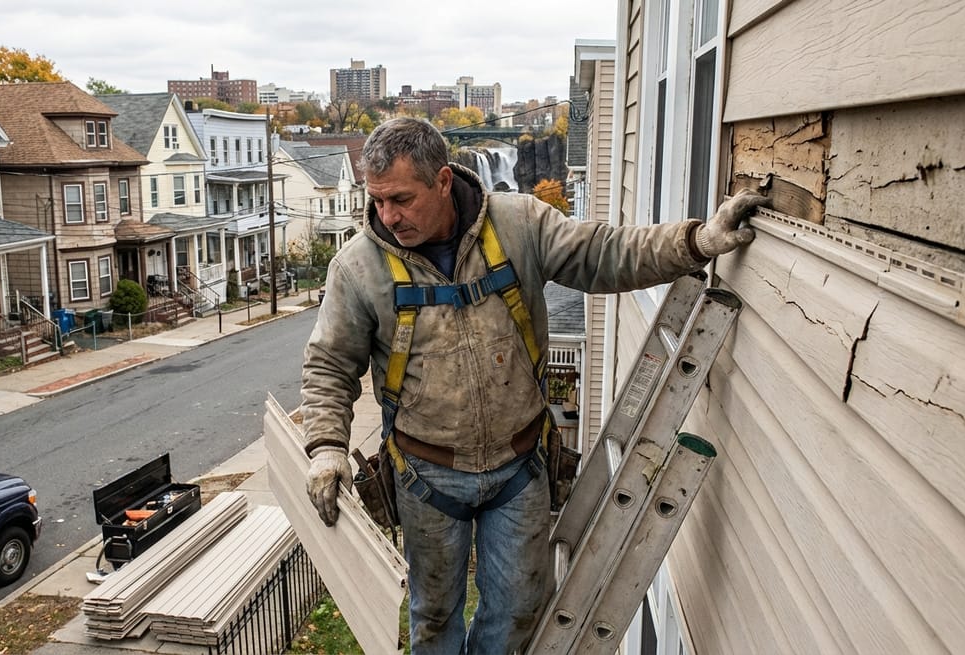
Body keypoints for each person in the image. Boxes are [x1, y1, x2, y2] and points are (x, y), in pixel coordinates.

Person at [300, 117, 767, 654]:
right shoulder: (360, 267)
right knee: (433, 622)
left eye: (401, 199)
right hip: (425, 477)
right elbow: (329, 364)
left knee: (520, 610)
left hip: (517, 471)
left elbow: (604, 253)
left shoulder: (519, 225)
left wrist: (697, 242)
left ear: (444, 181)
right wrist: (327, 447)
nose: (388, 216)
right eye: (377, 200)